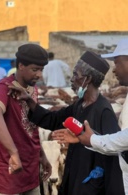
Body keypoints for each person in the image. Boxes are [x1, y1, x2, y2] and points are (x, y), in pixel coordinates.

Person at [7, 51, 125, 195]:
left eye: (76, 75)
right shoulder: (80, 105)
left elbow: (112, 153)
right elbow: (54, 119)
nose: (72, 79)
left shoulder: (103, 111)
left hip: (91, 184)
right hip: (74, 176)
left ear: (86, 79)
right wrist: (29, 100)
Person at [0, 43, 52, 195]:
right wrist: (13, 152)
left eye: (41, 70)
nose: (39, 75)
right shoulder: (4, 88)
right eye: (35, 69)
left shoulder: (32, 89)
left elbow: (31, 126)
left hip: (30, 167)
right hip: (9, 169)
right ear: (21, 65)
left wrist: (42, 155)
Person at [72, 38, 128, 194]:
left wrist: (93, 140)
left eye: (117, 63)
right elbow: (121, 143)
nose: (114, 70)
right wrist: (89, 140)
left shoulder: (102, 109)